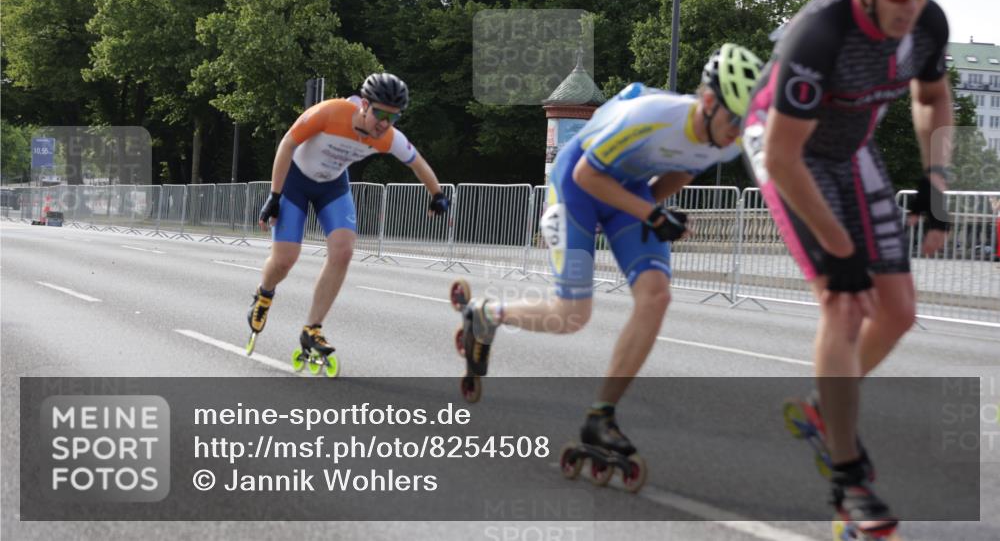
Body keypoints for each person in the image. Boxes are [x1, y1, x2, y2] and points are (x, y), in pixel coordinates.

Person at [450, 43, 763, 483]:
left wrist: (647, 214)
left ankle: (602, 414)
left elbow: (687, 169)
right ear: (709, 102)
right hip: (576, 187)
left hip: (627, 196)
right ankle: (485, 314)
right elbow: (585, 176)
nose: (737, 134)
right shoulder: (652, 116)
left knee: (656, 296)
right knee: (572, 315)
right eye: (734, 120)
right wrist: (652, 216)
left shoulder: (724, 140)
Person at [741, 0, 951, 536]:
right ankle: (847, 477)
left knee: (899, 311)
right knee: (844, 300)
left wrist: (935, 183)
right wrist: (840, 250)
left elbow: (933, 97)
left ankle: (822, 406)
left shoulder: (926, 24)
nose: (909, 5)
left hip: (850, 150)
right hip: (786, 151)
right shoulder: (821, 33)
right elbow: (782, 154)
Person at [245, 73, 450, 360]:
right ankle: (264, 294)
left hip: (332, 186)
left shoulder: (387, 136)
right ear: (364, 105)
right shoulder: (330, 112)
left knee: (343, 252)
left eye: (393, 118)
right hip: (296, 182)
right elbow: (287, 145)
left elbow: (417, 163)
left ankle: (312, 329)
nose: (384, 124)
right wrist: (275, 195)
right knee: (284, 260)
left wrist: (437, 195)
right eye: (379, 114)